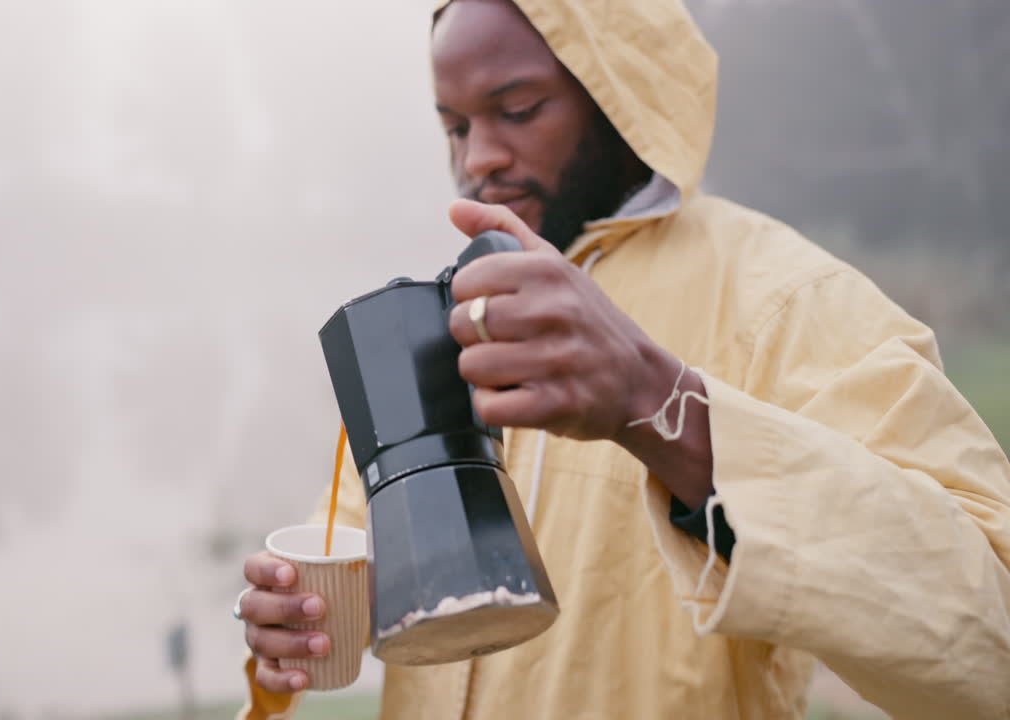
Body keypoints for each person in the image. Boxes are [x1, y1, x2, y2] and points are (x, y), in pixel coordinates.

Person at [235, 0, 1010, 717]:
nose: (480, 158)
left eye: (518, 110)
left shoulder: (785, 299)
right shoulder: (447, 316)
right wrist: (300, 619)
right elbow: (343, 544)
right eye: (455, 127)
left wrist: (660, 402)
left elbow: (990, 639)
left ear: (621, 90)